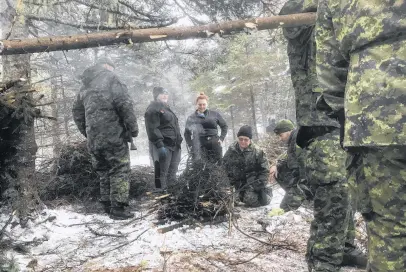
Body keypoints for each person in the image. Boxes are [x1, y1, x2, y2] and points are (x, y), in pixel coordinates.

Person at [315, 1, 406, 271]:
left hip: (371, 116)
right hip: (370, 122)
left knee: (390, 230)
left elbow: (329, 65)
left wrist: (344, 114)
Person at [279, 0, 366, 270]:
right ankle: (322, 262)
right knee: (334, 197)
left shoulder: (339, 23)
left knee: (348, 192)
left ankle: (345, 248)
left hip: (345, 122)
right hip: (320, 128)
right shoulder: (303, 22)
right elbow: (288, 18)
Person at [72, 57, 138, 220]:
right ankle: (119, 209)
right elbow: (125, 104)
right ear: (108, 66)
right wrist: (133, 129)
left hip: (94, 139)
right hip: (113, 135)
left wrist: (87, 132)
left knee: (103, 171)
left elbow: (77, 113)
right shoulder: (111, 78)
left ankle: (107, 205)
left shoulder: (85, 85)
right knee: (119, 168)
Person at [223, 125, 272, 207]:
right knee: (229, 200)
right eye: (241, 139)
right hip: (236, 183)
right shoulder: (231, 149)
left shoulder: (258, 151)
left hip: (252, 183)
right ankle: (241, 195)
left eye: (246, 140)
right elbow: (224, 165)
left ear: (250, 140)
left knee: (250, 200)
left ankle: (266, 193)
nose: (243, 142)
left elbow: (265, 171)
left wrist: (258, 185)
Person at [145, 86, 182, 190]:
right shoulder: (153, 108)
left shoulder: (166, 108)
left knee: (173, 172)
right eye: (162, 93)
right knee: (161, 173)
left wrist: (179, 140)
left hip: (174, 145)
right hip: (163, 145)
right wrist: (159, 144)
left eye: (166, 93)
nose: (165, 95)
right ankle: (161, 197)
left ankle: (172, 195)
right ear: (156, 96)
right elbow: (152, 128)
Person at [270, 119, 311, 212]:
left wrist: (299, 192)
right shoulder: (292, 140)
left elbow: (306, 173)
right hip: (298, 179)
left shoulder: (298, 141)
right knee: (279, 170)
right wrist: (276, 165)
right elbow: (289, 158)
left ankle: (307, 199)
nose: (280, 139)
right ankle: (294, 195)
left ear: (289, 131)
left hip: (305, 183)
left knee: (284, 207)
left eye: (281, 135)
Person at [184, 92, 228, 163]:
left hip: (215, 144)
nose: (202, 106)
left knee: (217, 167)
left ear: (207, 104)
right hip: (198, 145)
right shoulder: (191, 117)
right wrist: (191, 145)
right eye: (200, 104)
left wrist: (221, 138)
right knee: (199, 168)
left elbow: (224, 126)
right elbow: (187, 133)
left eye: (204, 104)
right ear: (196, 105)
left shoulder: (215, 114)